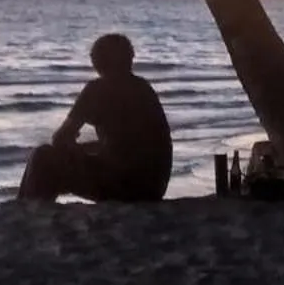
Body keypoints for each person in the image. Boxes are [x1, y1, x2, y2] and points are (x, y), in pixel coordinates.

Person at [18, 34, 173, 204]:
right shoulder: (144, 88)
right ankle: (29, 204)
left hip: (124, 186)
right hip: (153, 188)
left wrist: (73, 147)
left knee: (42, 156)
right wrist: (82, 149)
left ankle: (29, 206)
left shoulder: (97, 89)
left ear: (99, 61)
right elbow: (127, 145)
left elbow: (60, 138)